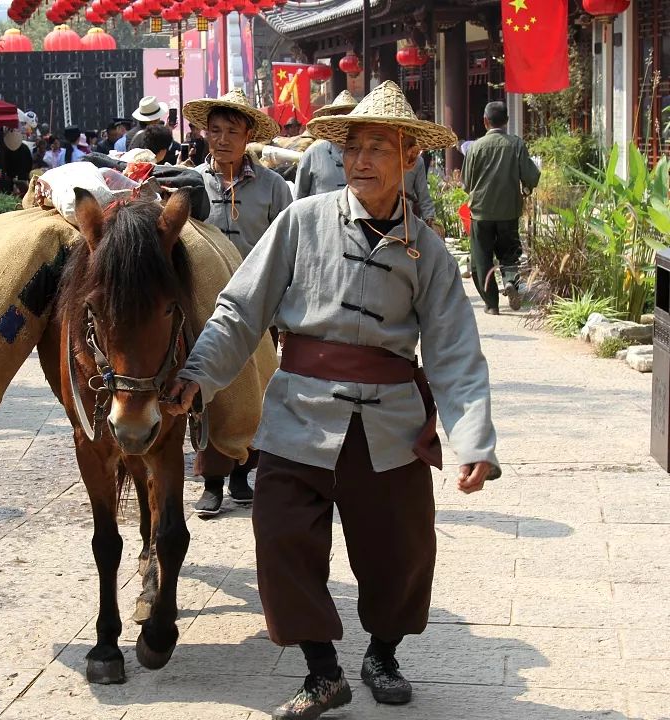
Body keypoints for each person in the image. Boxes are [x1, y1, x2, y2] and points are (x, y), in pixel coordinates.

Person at [165, 81, 498, 719]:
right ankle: (322, 672)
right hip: (298, 411)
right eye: (353, 148)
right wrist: (199, 374)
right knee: (281, 535)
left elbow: (455, 351)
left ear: (409, 158)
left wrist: (474, 440)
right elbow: (242, 309)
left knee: (400, 552)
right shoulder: (302, 220)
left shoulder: (427, 250)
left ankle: (383, 652)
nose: (361, 161)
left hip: (390, 423)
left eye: (378, 149)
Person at [183, 87, 292, 516]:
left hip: (260, 308)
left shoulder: (273, 187)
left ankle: (244, 472)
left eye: (232, 131)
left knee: (257, 389)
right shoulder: (191, 183)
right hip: (204, 306)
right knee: (207, 390)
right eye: (215, 130)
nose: (223, 139)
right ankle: (211, 480)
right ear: (205, 133)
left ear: (249, 136)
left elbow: (289, 250)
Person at [461, 100, 540, 314]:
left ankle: (492, 304)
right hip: (509, 211)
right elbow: (531, 176)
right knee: (509, 252)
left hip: (481, 212)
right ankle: (510, 281)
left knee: (481, 259)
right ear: (507, 120)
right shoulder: (516, 144)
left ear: (485, 121)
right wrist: (526, 189)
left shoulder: (475, 147)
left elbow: (466, 183)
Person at [294, 91, 357, 200]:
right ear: (331, 120)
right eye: (340, 118)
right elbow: (298, 198)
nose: (345, 124)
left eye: (350, 119)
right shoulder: (313, 153)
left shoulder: (366, 154)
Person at [0, 128, 32, 193]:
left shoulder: (6, 149)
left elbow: (4, 163)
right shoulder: (25, 148)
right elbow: (30, 163)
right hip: (22, 177)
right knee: (23, 194)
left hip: (12, 177)